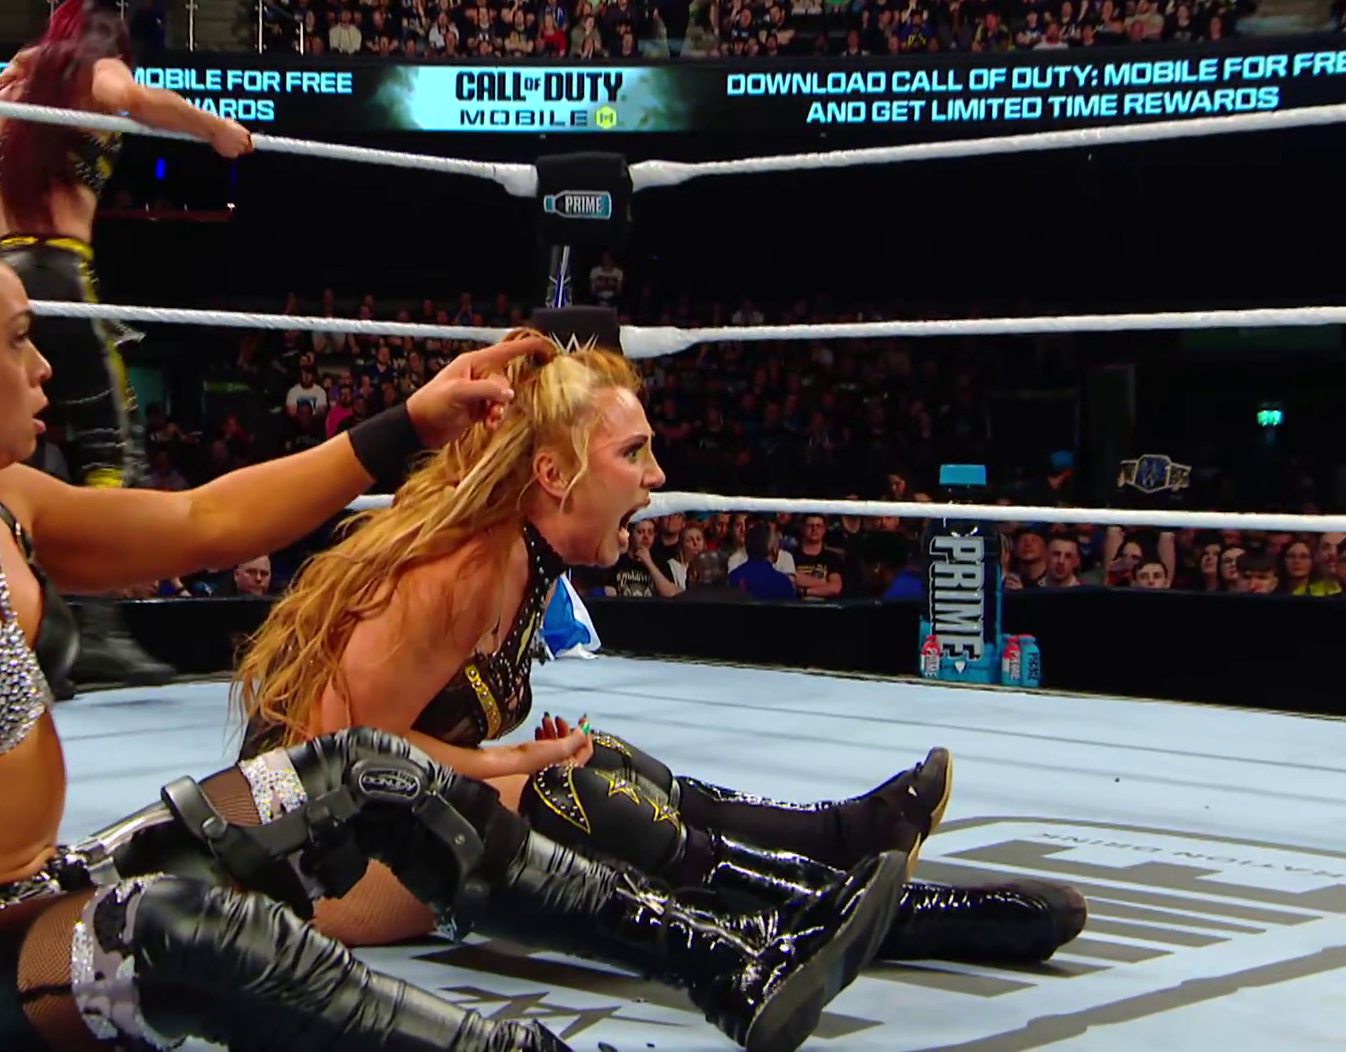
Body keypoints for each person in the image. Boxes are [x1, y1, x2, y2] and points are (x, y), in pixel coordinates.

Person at [0, 215, 906, 1052]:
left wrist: (409, 423)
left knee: (362, 771)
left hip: (45, 889)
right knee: (181, 928)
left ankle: (725, 964)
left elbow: (204, 521)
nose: (46, 365)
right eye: (19, 337)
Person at [234, 331, 1086, 963]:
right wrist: (510, 764)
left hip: (381, 830)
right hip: (306, 869)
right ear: (555, 475)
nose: (656, 475)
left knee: (601, 762)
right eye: (633, 452)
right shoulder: (460, 572)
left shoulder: (524, 565)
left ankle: (844, 838)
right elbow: (343, 757)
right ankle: (870, 917)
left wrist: (519, 760)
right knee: (558, 792)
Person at [0, 0, 254, 688]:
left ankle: (27, 632)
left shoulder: (0, 92)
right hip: (60, 273)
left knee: (16, 452)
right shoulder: (93, 70)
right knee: (111, 446)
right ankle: (97, 633)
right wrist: (216, 130)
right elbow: (129, 96)